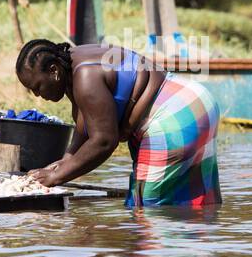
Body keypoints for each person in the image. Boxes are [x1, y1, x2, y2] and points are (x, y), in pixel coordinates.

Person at [15, 40, 222, 207]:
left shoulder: (85, 78)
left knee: (147, 212)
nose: (37, 94)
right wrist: (62, 163)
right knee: (198, 199)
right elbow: (85, 124)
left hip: (172, 118)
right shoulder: (73, 62)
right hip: (193, 101)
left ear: (54, 71)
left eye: (38, 86)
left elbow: (104, 141)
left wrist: (56, 177)